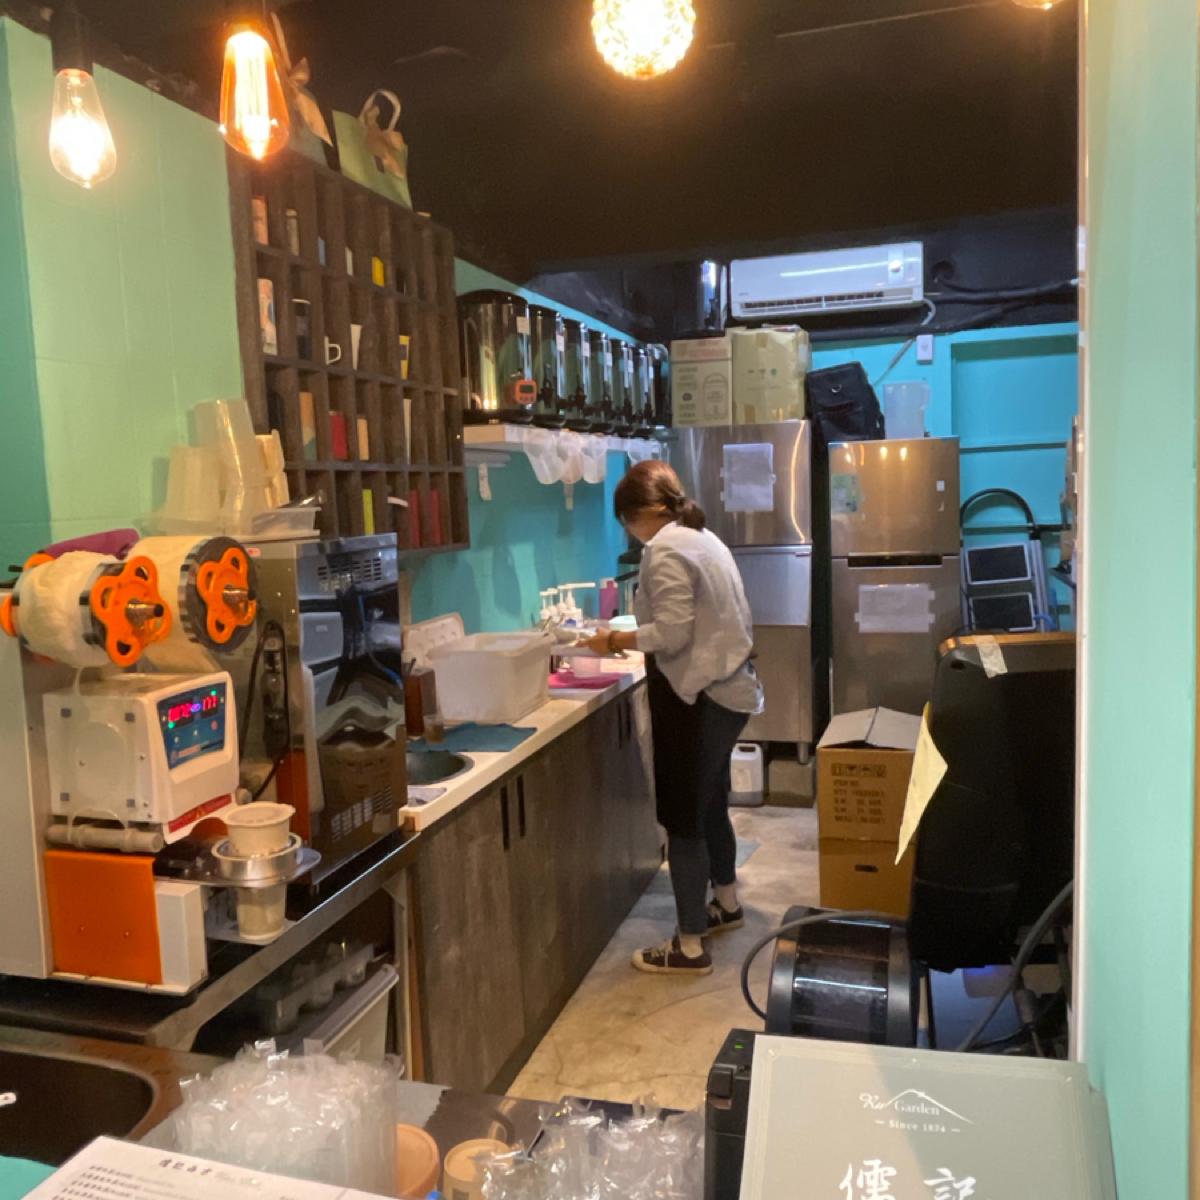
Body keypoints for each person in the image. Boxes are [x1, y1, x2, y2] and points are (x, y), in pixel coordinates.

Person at [585, 460, 763, 976]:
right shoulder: (703, 538)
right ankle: (726, 902)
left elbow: (672, 632)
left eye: (626, 521)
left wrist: (613, 639)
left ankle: (689, 947)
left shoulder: (664, 549)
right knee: (709, 805)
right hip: (731, 690)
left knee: (684, 818)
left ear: (641, 513)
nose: (629, 531)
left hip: (702, 698)